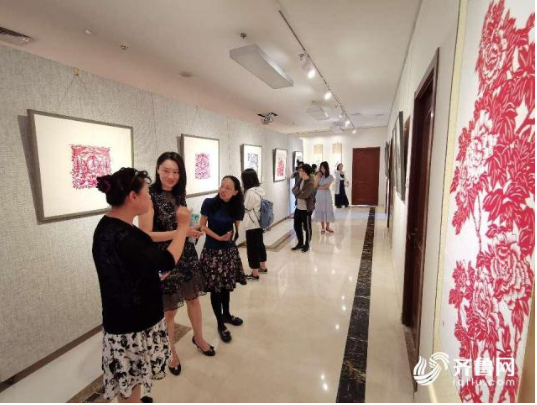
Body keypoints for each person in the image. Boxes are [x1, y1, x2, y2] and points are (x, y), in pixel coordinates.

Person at [92, 167, 190, 403]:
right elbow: (166, 263)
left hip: (119, 319)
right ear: (133, 197)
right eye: (147, 194)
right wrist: (183, 227)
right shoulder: (129, 237)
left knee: (130, 380)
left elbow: (128, 269)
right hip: (133, 325)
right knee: (130, 381)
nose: (150, 199)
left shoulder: (107, 226)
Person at [139, 152, 214, 378]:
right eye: (166, 171)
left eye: (176, 172)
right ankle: (171, 352)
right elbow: (145, 235)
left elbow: (182, 225)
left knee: (194, 300)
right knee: (169, 311)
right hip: (166, 259)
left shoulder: (179, 194)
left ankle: (198, 338)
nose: (171, 176)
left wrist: (192, 231)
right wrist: (181, 232)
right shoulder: (149, 197)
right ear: (157, 169)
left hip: (187, 255)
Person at [199, 176, 247, 343]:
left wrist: (233, 234)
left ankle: (226, 315)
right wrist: (218, 237)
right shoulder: (209, 203)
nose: (223, 190)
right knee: (216, 289)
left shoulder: (237, 207)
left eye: (228, 188)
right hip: (212, 252)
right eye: (222, 186)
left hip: (228, 252)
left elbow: (238, 229)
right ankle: (220, 323)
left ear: (235, 192)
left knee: (226, 286)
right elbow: (202, 226)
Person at [241, 168, 268, 280]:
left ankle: (255, 273)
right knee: (260, 245)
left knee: (252, 248)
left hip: (252, 224)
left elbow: (246, 207)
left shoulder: (250, 193)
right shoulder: (259, 190)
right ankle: (263, 266)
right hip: (259, 222)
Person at [291, 164, 315, 253]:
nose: (299, 172)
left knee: (307, 227)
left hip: (306, 209)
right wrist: (299, 192)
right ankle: (300, 243)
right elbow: (293, 189)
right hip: (298, 207)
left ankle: (307, 244)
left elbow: (305, 195)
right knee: (296, 226)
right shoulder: (300, 179)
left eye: (301, 170)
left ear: (305, 172)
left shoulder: (310, 182)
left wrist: (298, 193)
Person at [314, 161, 336, 233]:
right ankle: (323, 227)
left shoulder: (330, 177)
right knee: (321, 209)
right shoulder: (318, 176)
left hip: (327, 195)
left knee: (328, 209)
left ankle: (328, 227)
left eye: (324, 168)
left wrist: (319, 187)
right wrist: (317, 176)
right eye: (321, 168)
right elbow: (315, 185)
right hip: (319, 195)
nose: (322, 169)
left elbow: (326, 187)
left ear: (327, 168)